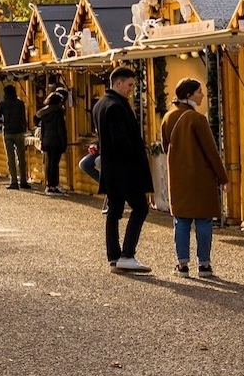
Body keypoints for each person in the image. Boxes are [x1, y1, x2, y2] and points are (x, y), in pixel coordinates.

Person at [161, 78, 229, 277]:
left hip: (179, 178)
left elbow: (166, 148)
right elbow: (211, 152)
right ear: (189, 94)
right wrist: (223, 178)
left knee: (181, 221)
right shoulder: (197, 119)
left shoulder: (168, 117)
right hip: (201, 178)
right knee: (204, 221)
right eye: (200, 92)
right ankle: (204, 265)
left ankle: (182, 265)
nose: (203, 95)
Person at [93, 65, 153, 273]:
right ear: (118, 83)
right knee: (140, 208)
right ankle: (127, 254)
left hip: (111, 169)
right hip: (125, 169)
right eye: (129, 85)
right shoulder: (116, 106)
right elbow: (121, 140)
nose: (131, 89)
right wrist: (137, 158)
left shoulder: (100, 104)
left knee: (114, 212)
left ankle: (113, 256)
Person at [0, 84, 30, 189]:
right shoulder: (20, 103)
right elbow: (24, 118)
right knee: (21, 157)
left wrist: (4, 122)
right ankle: (23, 181)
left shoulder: (2, 104)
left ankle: (13, 181)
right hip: (19, 131)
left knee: (11, 158)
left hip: (8, 132)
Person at [35, 90, 68, 194]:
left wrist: (42, 141)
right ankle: (54, 185)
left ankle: (49, 185)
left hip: (47, 141)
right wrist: (64, 143)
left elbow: (43, 129)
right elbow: (61, 130)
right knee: (55, 164)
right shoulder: (58, 113)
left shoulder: (44, 113)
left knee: (49, 164)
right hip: (56, 141)